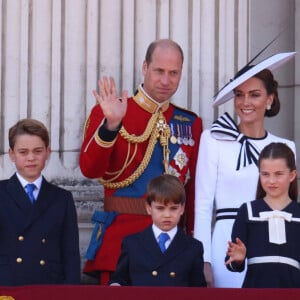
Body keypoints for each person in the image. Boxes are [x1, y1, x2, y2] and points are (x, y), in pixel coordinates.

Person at [80, 39, 202, 284]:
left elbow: (195, 188)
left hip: (172, 248)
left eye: (173, 73)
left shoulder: (189, 122)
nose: (166, 81)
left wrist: (191, 237)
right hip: (120, 243)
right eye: (159, 71)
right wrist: (111, 125)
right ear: (145, 67)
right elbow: (90, 169)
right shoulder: (112, 111)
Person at [193, 52, 296, 287]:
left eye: (254, 95)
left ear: (270, 99)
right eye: (239, 95)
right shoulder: (213, 139)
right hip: (226, 243)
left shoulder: (286, 148)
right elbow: (203, 206)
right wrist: (204, 259)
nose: (245, 102)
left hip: (272, 244)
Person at [0, 119, 81, 286]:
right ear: (11, 154)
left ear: (48, 152)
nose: (31, 158)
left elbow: (70, 254)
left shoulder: (62, 198)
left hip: (49, 286)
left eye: (38, 151)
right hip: (8, 285)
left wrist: (71, 293)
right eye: (23, 152)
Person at [109, 174, 207, 287]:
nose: (167, 215)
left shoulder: (193, 247)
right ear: (149, 208)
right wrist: (116, 284)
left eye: (173, 208)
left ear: (182, 208)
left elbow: (199, 291)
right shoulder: (132, 243)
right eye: (160, 208)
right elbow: (120, 279)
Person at [225, 142, 300, 288]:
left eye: (278, 174)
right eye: (265, 174)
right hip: (255, 291)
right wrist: (238, 258)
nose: (271, 181)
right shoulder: (247, 211)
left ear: (292, 175)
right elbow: (231, 261)